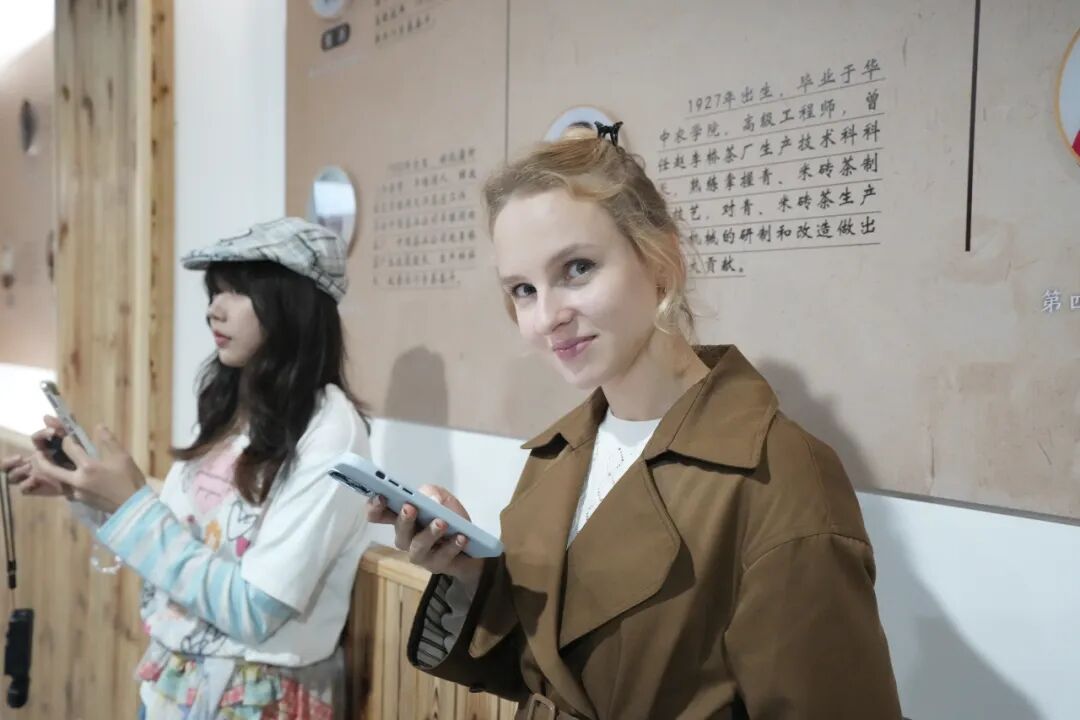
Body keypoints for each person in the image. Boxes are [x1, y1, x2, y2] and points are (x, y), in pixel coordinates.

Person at [367, 128, 904, 719]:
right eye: (523, 290)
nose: (547, 317)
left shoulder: (781, 476)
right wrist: (468, 570)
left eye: (577, 268)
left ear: (660, 260)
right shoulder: (558, 454)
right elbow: (555, 667)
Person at [2, 217, 371, 719]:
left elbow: (253, 610)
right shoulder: (231, 408)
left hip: (252, 702)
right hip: (172, 687)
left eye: (237, 292)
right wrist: (85, 488)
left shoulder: (331, 430)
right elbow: (182, 546)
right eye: (215, 291)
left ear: (294, 305)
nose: (214, 309)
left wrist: (131, 504)